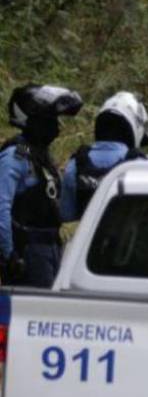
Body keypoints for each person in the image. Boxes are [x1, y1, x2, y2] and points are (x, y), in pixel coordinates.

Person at [0, 84, 83, 286]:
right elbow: (2, 208)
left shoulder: (40, 155)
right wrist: (9, 254)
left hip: (51, 247)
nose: (57, 127)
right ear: (34, 121)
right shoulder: (16, 156)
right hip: (29, 251)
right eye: (50, 120)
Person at [60, 91, 148, 222]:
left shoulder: (75, 164)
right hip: (127, 241)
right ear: (134, 126)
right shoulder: (141, 166)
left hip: (87, 241)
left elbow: (66, 216)